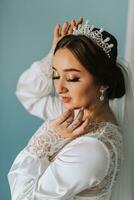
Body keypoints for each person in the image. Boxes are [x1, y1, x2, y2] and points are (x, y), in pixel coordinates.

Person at [7, 17, 130, 200]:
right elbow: (27, 93)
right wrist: (54, 55)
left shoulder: (92, 150)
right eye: (55, 75)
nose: (59, 88)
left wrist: (45, 140)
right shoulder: (75, 114)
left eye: (72, 78)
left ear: (102, 83)